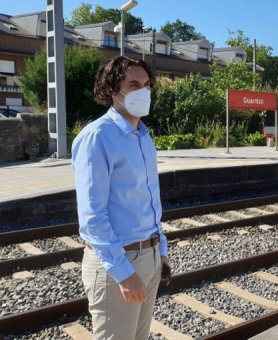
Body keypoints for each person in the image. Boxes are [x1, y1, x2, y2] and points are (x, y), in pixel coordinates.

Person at [72, 56, 168, 339]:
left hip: (148, 256)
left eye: (147, 85)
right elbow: (92, 218)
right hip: (119, 262)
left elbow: (148, 200)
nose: (143, 91)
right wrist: (124, 273)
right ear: (113, 90)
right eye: (134, 84)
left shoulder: (143, 136)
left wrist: (159, 250)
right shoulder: (97, 137)